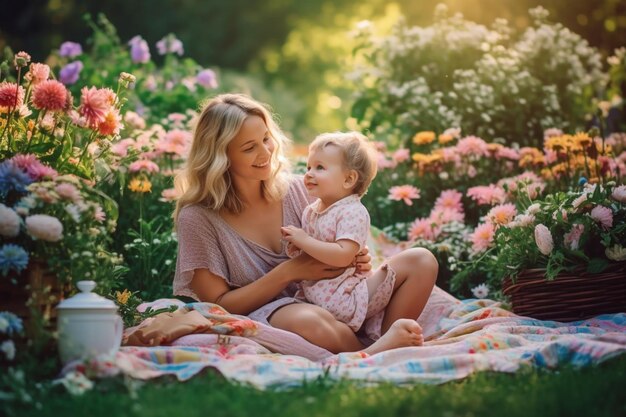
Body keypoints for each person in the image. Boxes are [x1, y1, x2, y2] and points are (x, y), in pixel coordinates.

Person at [173, 93, 438, 354]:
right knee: (309, 319)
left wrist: (356, 258)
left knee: (422, 261)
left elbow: (342, 233)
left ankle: (393, 337)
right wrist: (290, 271)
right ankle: (371, 353)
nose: (266, 152)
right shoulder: (198, 218)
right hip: (278, 311)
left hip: (339, 296)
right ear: (220, 157)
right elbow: (217, 306)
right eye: (249, 147)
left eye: (266, 138)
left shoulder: (301, 189)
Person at [281, 131, 404, 341]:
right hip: (322, 298)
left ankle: (391, 333)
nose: (309, 173)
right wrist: (296, 246)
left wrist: (304, 240)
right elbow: (313, 252)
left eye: (320, 167)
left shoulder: (352, 211)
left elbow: (343, 256)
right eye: (309, 166)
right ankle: (384, 339)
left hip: (346, 295)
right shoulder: (311, 210)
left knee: (418, 260)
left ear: (348, 179)